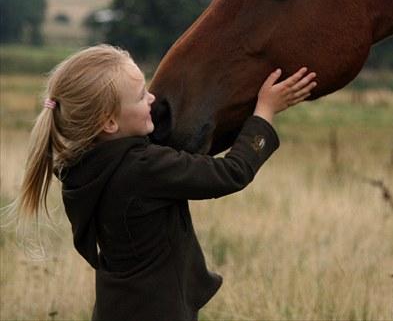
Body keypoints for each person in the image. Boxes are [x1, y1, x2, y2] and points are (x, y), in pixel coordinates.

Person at [15, 44, 316, 321]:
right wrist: (265, 112)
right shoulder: (144, 169)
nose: (152, 99)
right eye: (140, 95)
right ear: (109, 122)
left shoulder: (79, 168)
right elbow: (232, 172)